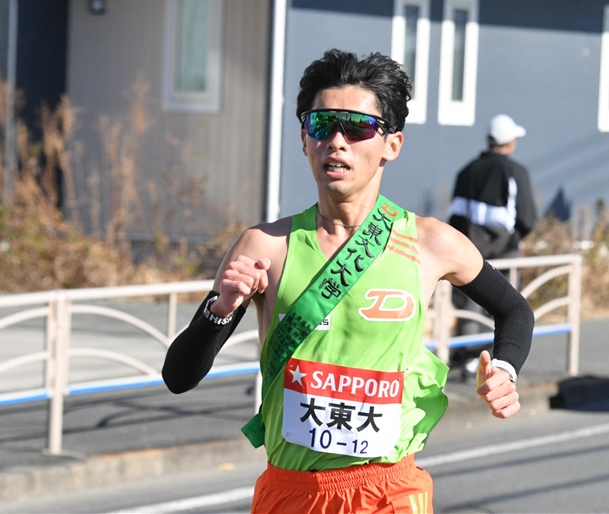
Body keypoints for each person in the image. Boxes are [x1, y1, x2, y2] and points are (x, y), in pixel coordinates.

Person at [162, 49, 534, 514]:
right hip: (291, 493)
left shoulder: (431, 242)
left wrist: (504, 370)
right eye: (322, 125)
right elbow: (178, 378)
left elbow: (514, 309)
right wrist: (218, 312)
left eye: (357, 127)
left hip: (389, 491)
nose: (336, 142)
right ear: (304, 138)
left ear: (391, 144)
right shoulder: (265, 248)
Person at [448, 114, 537, 261]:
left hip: (469, 257)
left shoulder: (467, 171)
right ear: (509, 143)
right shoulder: (515, 172)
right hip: (504, 257)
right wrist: (512, 242)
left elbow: (455, 217)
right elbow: (527, 219)